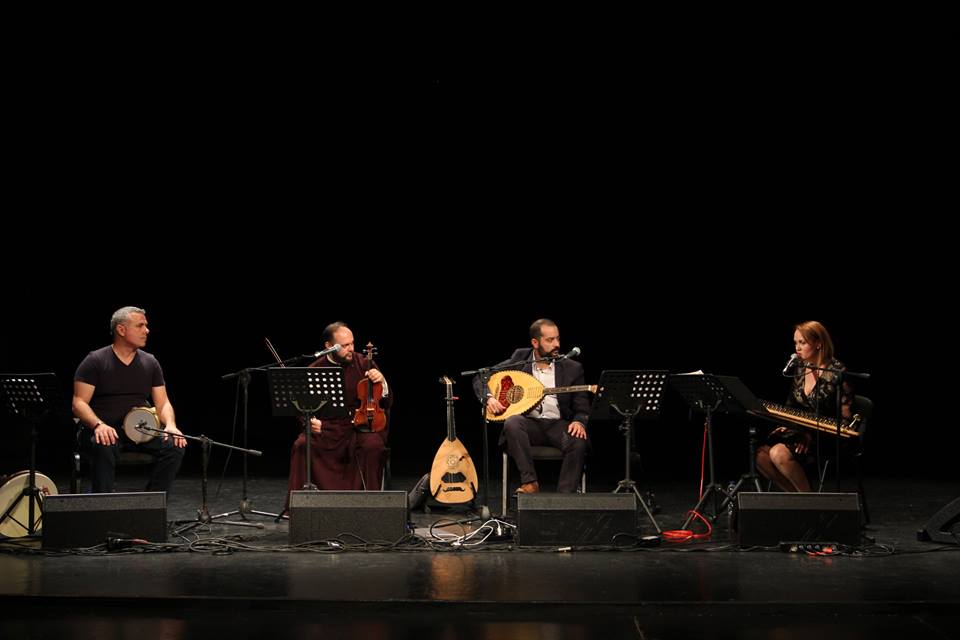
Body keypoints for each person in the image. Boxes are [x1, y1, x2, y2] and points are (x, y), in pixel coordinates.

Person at [72, 306, 186, 493]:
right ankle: (103, 502)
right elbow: (78, 403)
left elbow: (163, 403)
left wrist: (171, 425)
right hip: (105, 430)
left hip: (140, 428)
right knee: (103, 444)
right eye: (140, 325)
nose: (147, 330)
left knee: (174, 445)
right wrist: (98, 425)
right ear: (121, 330)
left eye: (146, 325)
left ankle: (151, 501)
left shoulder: (150, 362)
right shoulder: (95, 360)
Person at [473, 318, 589, 494]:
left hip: (558, 425)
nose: (557, 344)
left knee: (578, 440)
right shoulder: (521, 358)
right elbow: (482, 376)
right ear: (535, 342)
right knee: (512, 422)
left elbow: (582, 406)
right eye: (550, 340)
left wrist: (579, 422)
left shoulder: (572, 368)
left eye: (558, 339)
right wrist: (488, 398)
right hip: (529, 426)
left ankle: (565, 498)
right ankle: (530, 483)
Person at [286, 322, 392, 496]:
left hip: (358, 427)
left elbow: (385, 401)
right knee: (302, 444)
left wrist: (382, 382)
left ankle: (370, 501)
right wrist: (310, 421)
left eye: (352, 343)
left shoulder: (364, 363)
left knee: (373, 445)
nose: (351, 349)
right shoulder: (314, 369)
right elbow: (302, 407)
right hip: (328, 428)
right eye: (344, 345)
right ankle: (301, 502)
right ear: (329, 346)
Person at [755, 320, 854, 492]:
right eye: (795, 343)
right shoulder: (801, 368)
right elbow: (791, 407)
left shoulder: (837, 372)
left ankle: (808, 500)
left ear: (818, 344)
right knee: (760, 456)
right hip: (801, 432)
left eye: (802, 342)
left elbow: (844, 421)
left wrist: (809, 434)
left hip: (827, 437)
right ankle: (799, 499)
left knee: (778, 453)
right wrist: (788, 427)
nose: (797, 348)